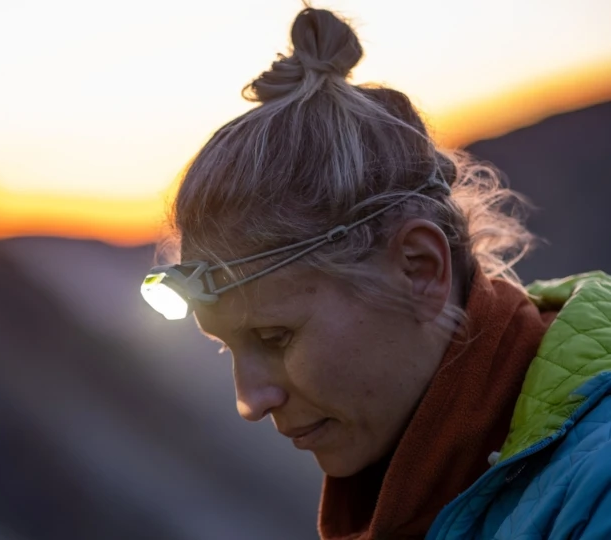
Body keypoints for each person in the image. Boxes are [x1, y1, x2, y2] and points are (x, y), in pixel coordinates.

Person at [139, 6, 611, 539]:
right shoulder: (414, 483)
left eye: (274, 336)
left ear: (419, 270)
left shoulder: (597, 493)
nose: (250, 401)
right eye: (226, 345)